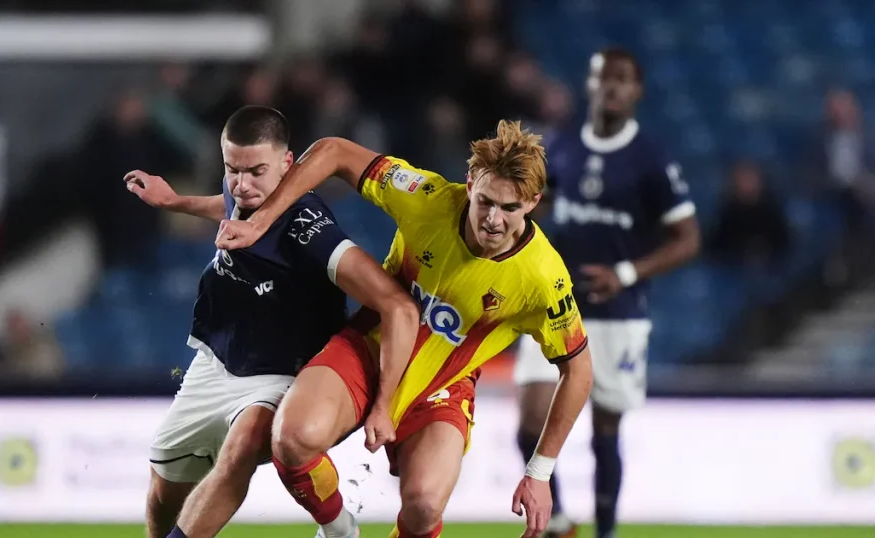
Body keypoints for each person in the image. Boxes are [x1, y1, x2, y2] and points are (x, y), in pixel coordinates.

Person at [216, 120, 595, 538]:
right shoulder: (428, 197)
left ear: (533, 203)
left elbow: (578, 370)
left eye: (510, 208)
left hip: (441, 388)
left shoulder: (544, 279)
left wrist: (540, 472)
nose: (493, 220)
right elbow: (335, 151)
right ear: (469, 183)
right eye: (485, 201)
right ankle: (340, 529)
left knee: (424, 507)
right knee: (291, 440)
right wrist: (260, 220)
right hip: (368, 349)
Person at [125, 105, 419, 538]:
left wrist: (384, 404)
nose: (241, 185)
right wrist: (175, 202)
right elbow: (226, 202)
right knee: (164, 491)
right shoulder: (244, 189)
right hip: (218, 360)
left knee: (240, 449)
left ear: (287, 164)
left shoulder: (307, 227)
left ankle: (339, 526)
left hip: (281, 373)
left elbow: (397, 305)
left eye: (255, 172)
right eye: (232, 170)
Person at [513, 49, 701, 538]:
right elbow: (539, 202)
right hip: (553, 304)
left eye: (621, 80)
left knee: (604, 431)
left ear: (636, 90)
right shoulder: (563, 144)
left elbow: (688, 238)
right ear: (590, 84)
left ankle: (606, 530)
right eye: (603, 78)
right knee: (529, 421)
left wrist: (628, 272)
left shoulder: (652, 158)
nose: (611, 88)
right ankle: (558, 522)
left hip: (618, 312)